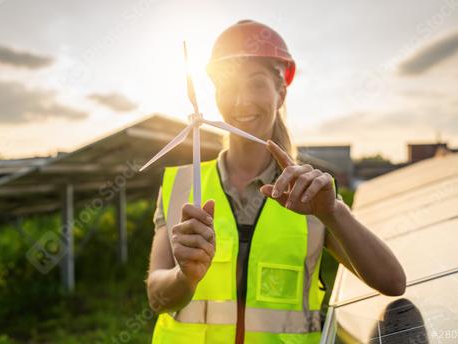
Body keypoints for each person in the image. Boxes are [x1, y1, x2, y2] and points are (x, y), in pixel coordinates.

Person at [146, 19, 406, 344]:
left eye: (256, 84)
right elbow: (157, 297)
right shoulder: (179, 184)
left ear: (280, 92)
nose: (241, 102)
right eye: (229, 87)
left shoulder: (310, 191)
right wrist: (185, 276)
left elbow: (392, 282)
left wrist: (332, 212)